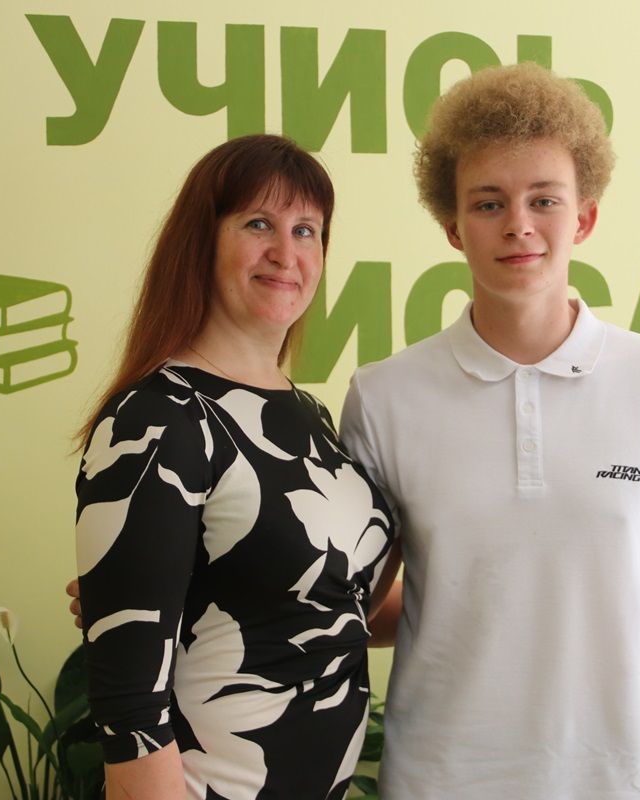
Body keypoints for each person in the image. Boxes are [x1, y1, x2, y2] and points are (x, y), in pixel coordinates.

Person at [338, 62, 640, 799]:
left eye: (544, 200)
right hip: (441, 780)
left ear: (584, 218)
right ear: (453, 227)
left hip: (627, 781)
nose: (518, 225)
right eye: (489, 203)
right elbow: (355, 605)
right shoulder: (384, 398)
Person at [72, 134, 397, 800]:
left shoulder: (310, 417)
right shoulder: (160, 415)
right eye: (258, 224)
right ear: (202, 241)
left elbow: (345, 610)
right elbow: (130, 710)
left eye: (306, 230)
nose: (286, 253)